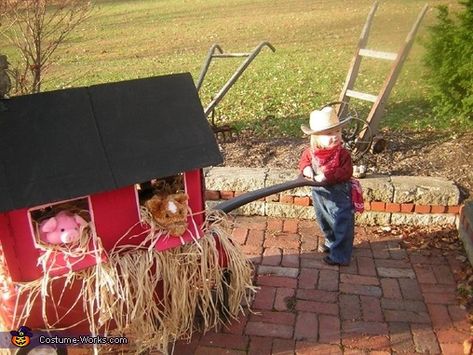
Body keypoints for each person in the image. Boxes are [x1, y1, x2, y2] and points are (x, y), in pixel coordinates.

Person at [299, 106, 355, 266]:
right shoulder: (311, 152)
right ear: (316, 138)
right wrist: (306, 168)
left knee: (342, 222)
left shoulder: (342, 155)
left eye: (338, 132)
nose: (335, 136)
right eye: (329, 134)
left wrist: (327, 175)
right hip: (320, 195)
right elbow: (304, 161)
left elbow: (346, 171)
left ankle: (341, 256)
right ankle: (332, 243)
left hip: (339, 196)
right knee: (325, 220)